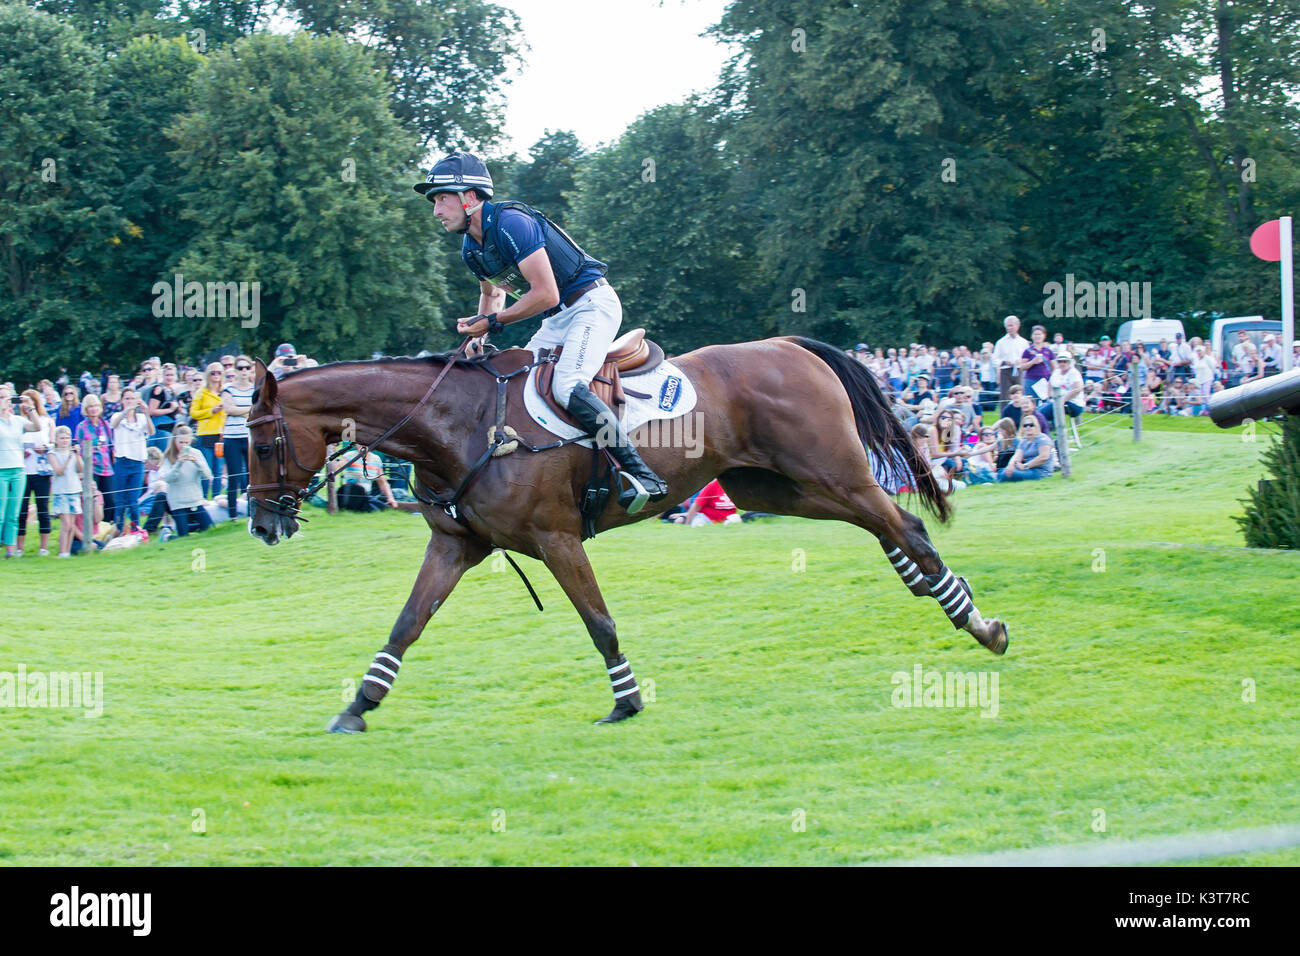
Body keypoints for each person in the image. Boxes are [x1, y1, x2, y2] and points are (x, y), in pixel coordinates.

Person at [416, 150, 666, 513]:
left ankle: (640, 473)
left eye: (442, 199)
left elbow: (544, 292)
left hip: (591, 305)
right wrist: (479, 334)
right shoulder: (472, 247)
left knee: (566, 385)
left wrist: (494, 323)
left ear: (470, 197)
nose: (437, 211)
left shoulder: (510, 223)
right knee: (520, 379)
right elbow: (493, 293)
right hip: (557, 318)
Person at [0, 394, 41, 557]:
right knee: (0, 512)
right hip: (1, 470)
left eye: (6, 397)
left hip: (18, 469)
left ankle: (10, 549)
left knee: (14, 512)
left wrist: (30, 408)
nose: (5, 400)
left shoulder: (18, 420)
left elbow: (37, 427)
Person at [109, 386, 154, 531]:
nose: (129, 401)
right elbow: (114, 425)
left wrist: (146, 414)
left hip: (137, 462)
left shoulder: (140, 419)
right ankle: (119, 529)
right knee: (120, 500)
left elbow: (151, 431)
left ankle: (136, 529)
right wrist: (126, 411)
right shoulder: (117, 416)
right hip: (122, 461)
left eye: (132, 398)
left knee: (133, 500)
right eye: (127, 398)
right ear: (122, 400)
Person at [16, 390, 54, 556]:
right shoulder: (18, 422)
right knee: (21, 510)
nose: (26, 406)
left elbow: (52, 444)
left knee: (43, 509)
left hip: (41, 471)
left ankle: (43, 547)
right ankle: (19, 547)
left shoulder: (46, 421)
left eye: (29, 402)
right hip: (23, 471)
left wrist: (44, 449)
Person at [156, 426, 214, 536]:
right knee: (183, 535)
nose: (183, 445)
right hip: (178, 502)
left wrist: (197, 462)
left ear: (191, 441)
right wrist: (178, 464)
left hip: (195, 500)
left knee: (209, 529)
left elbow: (208, 475)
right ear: (174, 440)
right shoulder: (168, 456)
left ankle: (174, 532)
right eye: (180, 442)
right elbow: (167, 479)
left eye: (186, 442)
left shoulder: (196, 453)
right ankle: (168, 537)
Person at [220, 355, 256, 520]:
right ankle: (233, 514)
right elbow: (228, 409)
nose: (243, 371)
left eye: (247, 368)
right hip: (232, 437)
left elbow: (258, 408)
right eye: (240, 368)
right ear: (235, 370)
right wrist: (250, 410)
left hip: (249, 436)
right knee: (234, 476)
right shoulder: (228, 389)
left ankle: (251, 511)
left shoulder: (254, 389)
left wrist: (240, 409)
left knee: (251, 475)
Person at [74, 393, 117, 530]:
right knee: (95, 500)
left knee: (110, 500)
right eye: (90, 406)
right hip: (91, 468)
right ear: (86, 409)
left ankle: (109, 527)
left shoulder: (105, 425)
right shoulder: (82, 427)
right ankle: (94, 529)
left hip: (106, 467)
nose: (93, 409)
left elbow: (111, 445)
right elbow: (78, 448)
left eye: (96, 406)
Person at [189, 362, 227, 500]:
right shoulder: (202, 392)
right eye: (213, 372)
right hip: (206, 433)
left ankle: (216, 497)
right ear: (208, 375)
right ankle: (203, 498)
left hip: (222, 433)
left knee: (218, 469)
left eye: (219, 372)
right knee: (206, 469)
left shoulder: (226, 390)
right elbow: (193, 413)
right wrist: (211, 411)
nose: (216, 375)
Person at [47, 425, 83, 558]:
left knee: (72, 525)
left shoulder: (73, 453)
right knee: (66, 524)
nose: (65, 441)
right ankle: (62, 551)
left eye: (67, 438)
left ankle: (66, 552)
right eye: (62, 438)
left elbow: (80, 469)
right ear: (56, 439)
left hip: (74, 489)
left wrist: (77, 455)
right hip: (61, 491)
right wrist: (68, 458)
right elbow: (58, 471)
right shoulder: (52, 454)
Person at [331, 444, 399, 512]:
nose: (361, 445)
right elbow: (334, 470)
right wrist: (333, 450)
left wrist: (391, 498)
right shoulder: (349, 456)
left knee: (384, 508)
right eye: (359, 443)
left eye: (364, 443)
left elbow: (382, 482)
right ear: (356, 444)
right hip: (352, 495)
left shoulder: (376, 459)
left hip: (366, 496)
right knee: (374, 509)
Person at [999, 416, 1053, 482]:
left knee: (1008, 474)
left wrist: (1026, 466)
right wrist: (1011, 465)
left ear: (1036, 426)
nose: (1028, 427)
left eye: (1031, 425)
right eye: (1025, 425)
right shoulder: (1024, 441)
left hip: (1041, 471)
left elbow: (1044, 457)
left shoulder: (1042, 438)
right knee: (1003, 471)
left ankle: (997, 480)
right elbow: (1017, 455)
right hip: (1028, 470)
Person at [143, 363, 181, 451]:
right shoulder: (159, 389)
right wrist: (170, 409)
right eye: (167, 375)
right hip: (161, 429)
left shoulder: (171, 390)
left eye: (172, 375)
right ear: (162, 375)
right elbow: (151, 411)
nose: (169, 377)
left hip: (170, 428)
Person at [670, 478, 739, 525]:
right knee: (697, 524)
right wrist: (687, 523)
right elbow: (696, 506)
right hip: (706, 519)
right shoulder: (712, 486)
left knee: (736, 519)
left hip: (727, 520)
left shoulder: (735, 486)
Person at [1045, 353, 1084, 436]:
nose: (1062, 364)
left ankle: (1048, 433)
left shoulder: (1074, 373)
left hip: (1073, 403)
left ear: (1069, 362)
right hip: (1056, 401)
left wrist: (1062, 400)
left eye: (1064, 361)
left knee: (1043, 413)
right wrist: (1050, 397)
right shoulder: (1056, 372)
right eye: (1059, 362)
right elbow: (1050, 384)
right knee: (1040, 409)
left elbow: (1077, 389)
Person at [993, 315, 1030, 402]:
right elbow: (995, 359)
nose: (1009, 328)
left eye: (1011, 325)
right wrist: (1004, 362)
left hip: (1019, 370)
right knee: (1005, 395)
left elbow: (1028, 357)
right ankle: (1005, 414)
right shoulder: (1001, 342)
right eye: (1007, 326)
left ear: (1017, 326)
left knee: (1020, 393)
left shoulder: (1023, 342)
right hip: (1006, 371)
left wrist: (1021, 361)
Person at [1018, 324, 1055, 400]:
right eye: (1035, 334)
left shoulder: (1048, 351)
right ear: (1032, 336)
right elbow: (1022, 367)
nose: (1037, 336)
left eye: (1039, 334)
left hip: (1045, 381)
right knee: (1030, 402)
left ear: (1044, 336)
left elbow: (1054, 368)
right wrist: (1032, 362)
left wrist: (1051, 380)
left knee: (1045, 403)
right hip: (1031, 380)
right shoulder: (1027, 351)